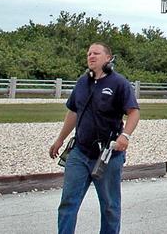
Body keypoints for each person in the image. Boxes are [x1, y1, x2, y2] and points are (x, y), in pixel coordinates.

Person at [49, 42, 140, 234]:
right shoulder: (82, 83)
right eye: (89, 53)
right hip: (79, 153)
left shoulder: (119, 83)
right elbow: (73, 112)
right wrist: (60, 139)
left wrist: (125, 136)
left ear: (108, 57)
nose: (91, 56)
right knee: (68, 203)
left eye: (96, 53)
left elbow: (133, 112)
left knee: (109, 206)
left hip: (108, 155)